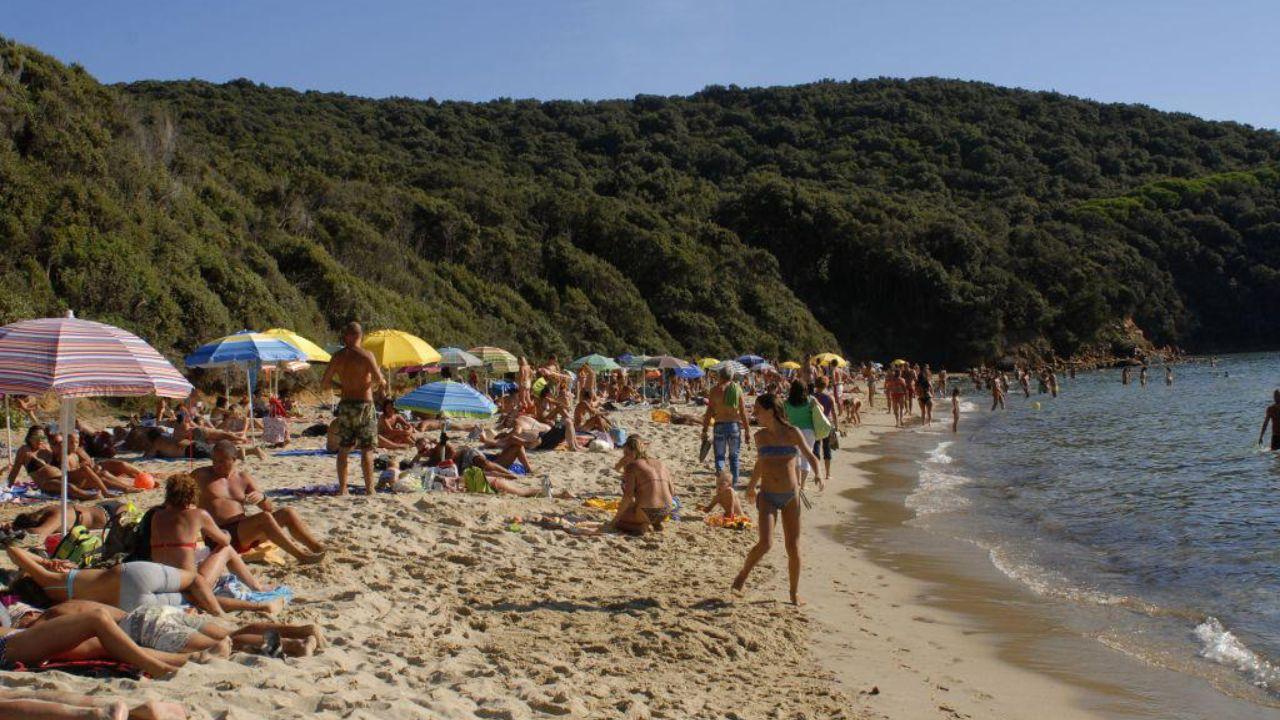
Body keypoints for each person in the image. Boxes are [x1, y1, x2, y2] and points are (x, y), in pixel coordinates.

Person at [734, 393, 822, 605]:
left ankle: (794, 593)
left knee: (793, 547)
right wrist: (751, 486)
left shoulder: (793, 433)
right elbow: (760, 463)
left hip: (791, 496)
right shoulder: (760, 437)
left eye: (758, 410)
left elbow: (811, 456)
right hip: (768, 496)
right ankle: (743, 574)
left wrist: (819, 474)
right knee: (765, 543)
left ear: (771, 411)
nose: (754, 413)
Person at [193, 441, 326, 564]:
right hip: (219, 536)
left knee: (287, 512)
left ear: (233, 460)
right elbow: (178, 491)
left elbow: (268, 508)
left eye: (222, 461)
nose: (216, 465)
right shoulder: (201, 475)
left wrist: (262, 497)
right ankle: (301, 556)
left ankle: (317, 547)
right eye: (214, 460)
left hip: (244, 532)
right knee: (264, 518)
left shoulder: (243, 478)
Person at [5, 545, 224, 616]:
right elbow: (12, 549)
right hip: (130, 576)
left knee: (192, 599)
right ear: (30, 578)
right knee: (195, 580)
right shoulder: (48, 579)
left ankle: (249, 608)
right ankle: (221, 616)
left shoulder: (54, 601)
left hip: (130, 606)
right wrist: (43, 564)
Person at [148, 473, 272, 594]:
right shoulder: (198, 514)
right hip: (189, 584)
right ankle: (257, 587)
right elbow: (224, 541)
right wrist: (225, 533)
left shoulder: (156, 516)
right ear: (193, 494)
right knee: (226, 548)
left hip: (164, 582)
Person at [320, 322, 387, 495]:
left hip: (346, 404)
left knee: (344, 448)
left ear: (346, 336)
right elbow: (380, 379)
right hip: (364, 404)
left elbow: (324, 383)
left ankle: (343, 489)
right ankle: (369, 489)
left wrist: (342, 385)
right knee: (366, 449)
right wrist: (374, 383)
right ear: (360, 336)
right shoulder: (366, 355)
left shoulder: (337, 357)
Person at [612, 437, 675, 535]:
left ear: (629, 453)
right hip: (666, 510)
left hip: (646, 511)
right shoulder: (661, 463)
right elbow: (672, 491)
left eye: (625, 454)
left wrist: (616, 518)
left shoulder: (632, 467)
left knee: (619, 522)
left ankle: (641, 526)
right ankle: (656, 524)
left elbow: (628, 496)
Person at [701, 367, 751, 488]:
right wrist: (747, 430)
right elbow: (743, 412)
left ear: (721, 376)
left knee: (719, 456)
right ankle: (732, 485)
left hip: (719, 426)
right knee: (734, 457)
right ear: (732, 377)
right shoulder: (737, 389)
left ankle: (722, 483)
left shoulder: (714, 391)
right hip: (734, 426)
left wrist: (705, 429)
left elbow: (709, 412)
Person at [4, 501, 126, 540]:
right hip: (103, 507)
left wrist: (14, 533)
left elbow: (40, 533)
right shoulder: (45, 512)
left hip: (110, 515)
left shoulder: (55, 516)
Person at [810, 377, 838, 480]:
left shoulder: (811, 397)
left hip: (815, 424)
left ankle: (817, 473)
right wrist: (837, 426)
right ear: (826, 385)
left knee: (816, 449)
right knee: (827, 449)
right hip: (828, 424)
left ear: (815, 385)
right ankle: (828, 474)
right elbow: (834, 413)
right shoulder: (830, 398)